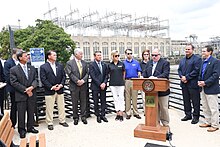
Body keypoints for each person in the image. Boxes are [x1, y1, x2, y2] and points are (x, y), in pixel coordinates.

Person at [10, 51, 38, 138]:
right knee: (21, 113)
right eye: (26, 56)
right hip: (21, 95)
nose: (28, 57)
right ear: (20, 58)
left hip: (31, 94)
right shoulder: (14, 69)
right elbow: (14, 83)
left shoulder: (32, 68)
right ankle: (22, 130)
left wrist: (32, 87)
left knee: (31, 111)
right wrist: (26, 90)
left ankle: (30, 127)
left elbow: (36, 79)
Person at [40, 50, 69, 130]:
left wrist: (61, 85)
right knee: (49, 107)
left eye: (56, 55)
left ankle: (62, 120)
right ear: (49, 56)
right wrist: (51, 87)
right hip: (50, 90)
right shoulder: (43, 67)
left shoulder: (60, 65)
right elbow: (43, 79)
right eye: (54, 55)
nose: (56, 56)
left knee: (61, 106)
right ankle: (49, 122)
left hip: (60, 89)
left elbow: (64, 76)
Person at [143, 48, 170, 127]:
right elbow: (145, 73)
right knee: (153, 107)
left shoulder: (165, 63)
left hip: (162, 90)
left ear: (159, 55)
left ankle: (165, 124)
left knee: (163, 108)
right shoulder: (149, 63)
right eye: (152, 55)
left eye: (156, 55)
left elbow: (165, 74)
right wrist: (143, 76)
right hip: (150, 91)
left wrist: (156, 78)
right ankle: (155, 122)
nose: (154, 57)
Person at [178, 43, 202, 124]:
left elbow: (196, 71)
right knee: (186, 100)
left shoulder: (197, 59)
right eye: (186, 49)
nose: (187, 51)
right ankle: (188, 115)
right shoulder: (182, 59)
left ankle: (196, 117)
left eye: (189, 49)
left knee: (195, 101)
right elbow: (179, 70)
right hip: (184, 84)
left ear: (192, 50)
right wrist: (182, 77)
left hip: (193, 84)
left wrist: (187, 77)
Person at [198, 45, 220, 132]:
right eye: (202, 51)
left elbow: (215, 75)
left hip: (211, 88)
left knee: (213, 108)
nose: (202, 53)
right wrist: (199, 81)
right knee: (205, 106)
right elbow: (201, 73)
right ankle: (208, 121)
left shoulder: (215, 61)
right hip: (203, 88)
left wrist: (205, 82)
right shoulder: (203, 61)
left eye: (204, 51)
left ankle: (215, 125)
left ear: (209, 52)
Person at [65, 48, 89, 125]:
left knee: (83, 101)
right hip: (74, 86)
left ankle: (83, 116)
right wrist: (77, 81)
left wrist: (83, 80)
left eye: (82, 54)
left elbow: (87, 73)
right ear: (76, 54)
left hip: (83, 86)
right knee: (74, 102)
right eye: (80, 54)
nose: (82, 55)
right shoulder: (69, 63)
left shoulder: (84, 63)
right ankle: (75, 117)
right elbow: (70, 73)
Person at [89, 51, 108, 123]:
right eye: (98, 55)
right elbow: (93, 76)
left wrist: (104, 83)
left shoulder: (104, 64)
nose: (100, 56)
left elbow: (106, 75)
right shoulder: (91, 65)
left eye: (100, 55)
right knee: (96, 101)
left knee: (103, 101)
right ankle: (98, 115)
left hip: (103, 86)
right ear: (94, 56)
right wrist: (100, 84)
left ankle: (103, 115)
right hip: (95, 86)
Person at [4, 48, 21, 128]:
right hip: (13, 89)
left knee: (22, 107)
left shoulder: (22, 62)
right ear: (15, 54)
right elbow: (8, 77)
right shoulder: (8, 63)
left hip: (22, 89)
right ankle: (13, 123)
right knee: (14, 106)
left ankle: (22, 124)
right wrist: (18, 85)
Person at [124, 49, 142, 120]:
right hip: (127, 81)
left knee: (135, 97)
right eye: (128, 53)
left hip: (135, 81)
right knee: (127, 98)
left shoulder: (136, 62)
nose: (129, 55)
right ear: (126, 54)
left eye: (131, 53)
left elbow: (139, 71)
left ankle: (135, 112)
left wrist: (139, 77)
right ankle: (128, 113)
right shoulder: (123, 63)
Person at [108, 50, 125, 121]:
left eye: (118, 55)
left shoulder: (122, 64)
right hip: (112, 84)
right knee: (115, 98)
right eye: (116, 56)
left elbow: (124, 73)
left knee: (121, 97)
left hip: (121, 84)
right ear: (112, 56)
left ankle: (121, 112)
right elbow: (108, 74)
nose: (117, 57)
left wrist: (123, 80)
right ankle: (117, 112)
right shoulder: (109, 65)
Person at [140, 49, 150, 114]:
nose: (146, 56)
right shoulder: (140, 64)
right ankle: (145, 111)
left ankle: (150, 110)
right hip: (143, 82)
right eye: (144, 54)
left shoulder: (152, 62)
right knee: (144, 97)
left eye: (147, 54)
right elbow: (139, 72)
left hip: (151, 82)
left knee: (150, 97)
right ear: (142, 56)